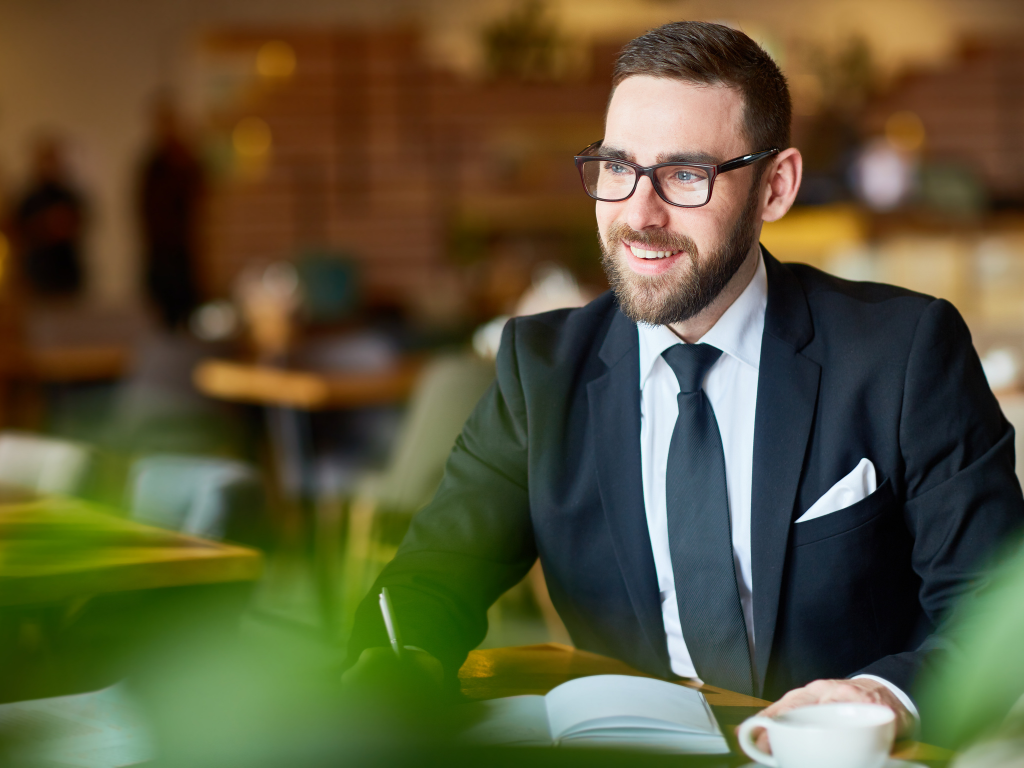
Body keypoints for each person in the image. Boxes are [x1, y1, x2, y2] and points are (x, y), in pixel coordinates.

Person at [345, 21, 1024, 742]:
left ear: (776, 187)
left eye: (685, 175)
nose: (639, 214)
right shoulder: (538, 371)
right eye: (616, 168)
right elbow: (430, 577)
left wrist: (878, 700)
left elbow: (998, 614)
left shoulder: (903, 352)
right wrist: (401, 662)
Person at [137, 95, 204, 330]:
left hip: (184, 253)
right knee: (164, 321)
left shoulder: (186, 162)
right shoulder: (152, 166)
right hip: (160, 255)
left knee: (189, 318)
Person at [11, 136, 85, 297]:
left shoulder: (68, 197)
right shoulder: (28, 200)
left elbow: (79, 225)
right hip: (37, 275)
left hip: (65, 274)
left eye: (52, 159)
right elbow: (18, 233)